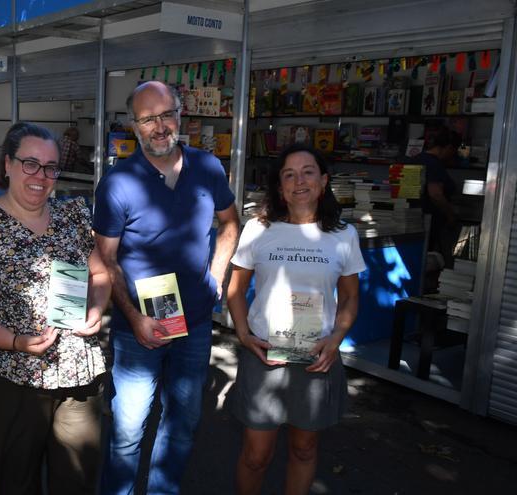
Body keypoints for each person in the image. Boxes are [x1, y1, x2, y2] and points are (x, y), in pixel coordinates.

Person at [93, 80, 240, 495]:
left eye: (167, 114)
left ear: (180, 115)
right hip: (138, 326)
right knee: (127, 431)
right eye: (148, 118)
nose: (160, 126)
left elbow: (231, 223)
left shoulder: (208, 167)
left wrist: (216, 276)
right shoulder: (118, 183)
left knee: (183, 424)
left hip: (193, 321)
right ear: (133, 126)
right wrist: (134, 317)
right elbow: (107, 258)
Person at [0, 122, 111, 495]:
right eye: (30, 164)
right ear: (7, 164)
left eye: (50, 167)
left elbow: (102, 271)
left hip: (77, 371)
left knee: (77, 481)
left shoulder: (72, 216)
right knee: (17, 482)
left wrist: (96, 307)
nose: (41, 176)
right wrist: (16, 341)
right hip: (10, 377)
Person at [226, 144, 365, 495]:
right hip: (264, 355)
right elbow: (235, 290)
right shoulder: (259, 229)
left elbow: (350, 296)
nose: (299, 180)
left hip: (316, 356)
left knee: (304, 449)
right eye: (289, 174)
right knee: (257, 454)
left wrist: (336, 339)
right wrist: (243, 334)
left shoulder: (343, 235)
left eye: (307, 172)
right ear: (279, 186)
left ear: (323, 181)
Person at [416, 127, 460, 269]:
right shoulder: (434, 164)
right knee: (427, 260)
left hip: (414, 219)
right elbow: (435, 194)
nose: (453, 155)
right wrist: (450, 215)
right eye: (454, 151)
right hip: (428, 220)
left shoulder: (417, 158)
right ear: (448, 147)